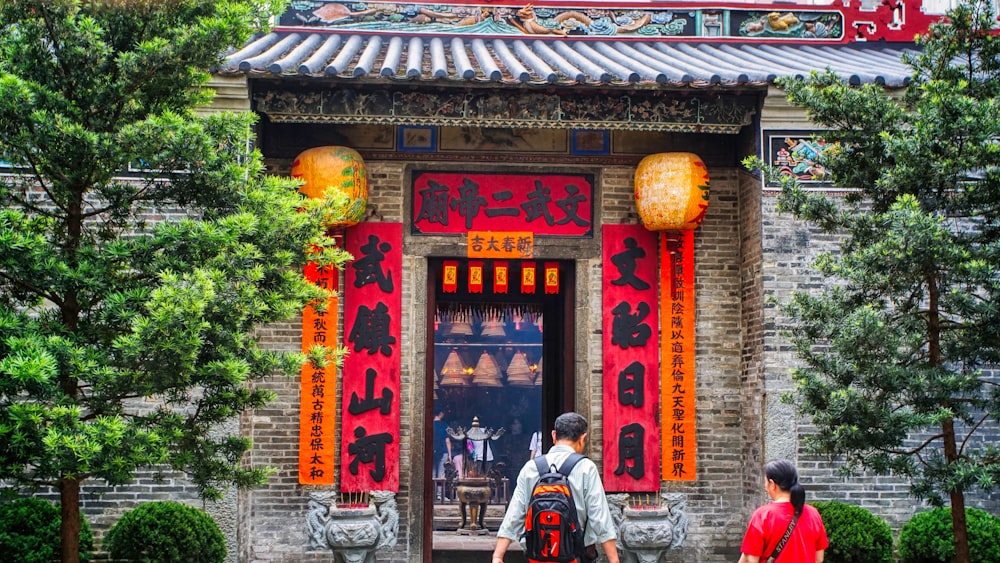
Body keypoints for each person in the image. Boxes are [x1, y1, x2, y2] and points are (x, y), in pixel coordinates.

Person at [492, 412, 620, 563]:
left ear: (554, 435)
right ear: (583, 438)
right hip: (574, 556)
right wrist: (614, 560)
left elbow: (514, 514)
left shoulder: (531, 467)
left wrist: (498, 555)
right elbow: (600, 518)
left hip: (538, 555)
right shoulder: (586, 468)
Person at [738, 460, 828, 563]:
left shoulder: (763, 515)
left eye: (765, 482)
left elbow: (750, 560)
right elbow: (818, 558)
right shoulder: (813, 514)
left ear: (772, 484)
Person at [432, 410, 451, 479]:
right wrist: (450, 455)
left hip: (432, 451)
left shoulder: (429, 424)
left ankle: (432, 489)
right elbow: (447, 441)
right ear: (441, 413)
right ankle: (439, 490)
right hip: (443, 451)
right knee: (441, 474)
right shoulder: (444, 425)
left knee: (433, 473)